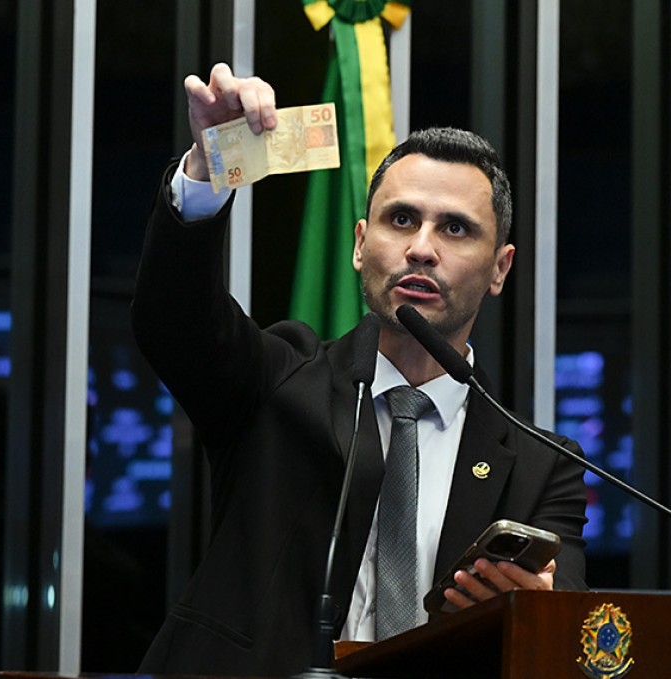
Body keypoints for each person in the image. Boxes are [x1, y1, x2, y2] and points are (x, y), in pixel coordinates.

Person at [132, 63, 588, 676]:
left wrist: (543, 612)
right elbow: (173, 320)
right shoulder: (278, 383)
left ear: (500, 268)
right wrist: (209, 171)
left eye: (455, 228)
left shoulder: (542, 466)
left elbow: (571, 624)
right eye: (401, 220)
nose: (421, 248)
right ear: (358, 243)